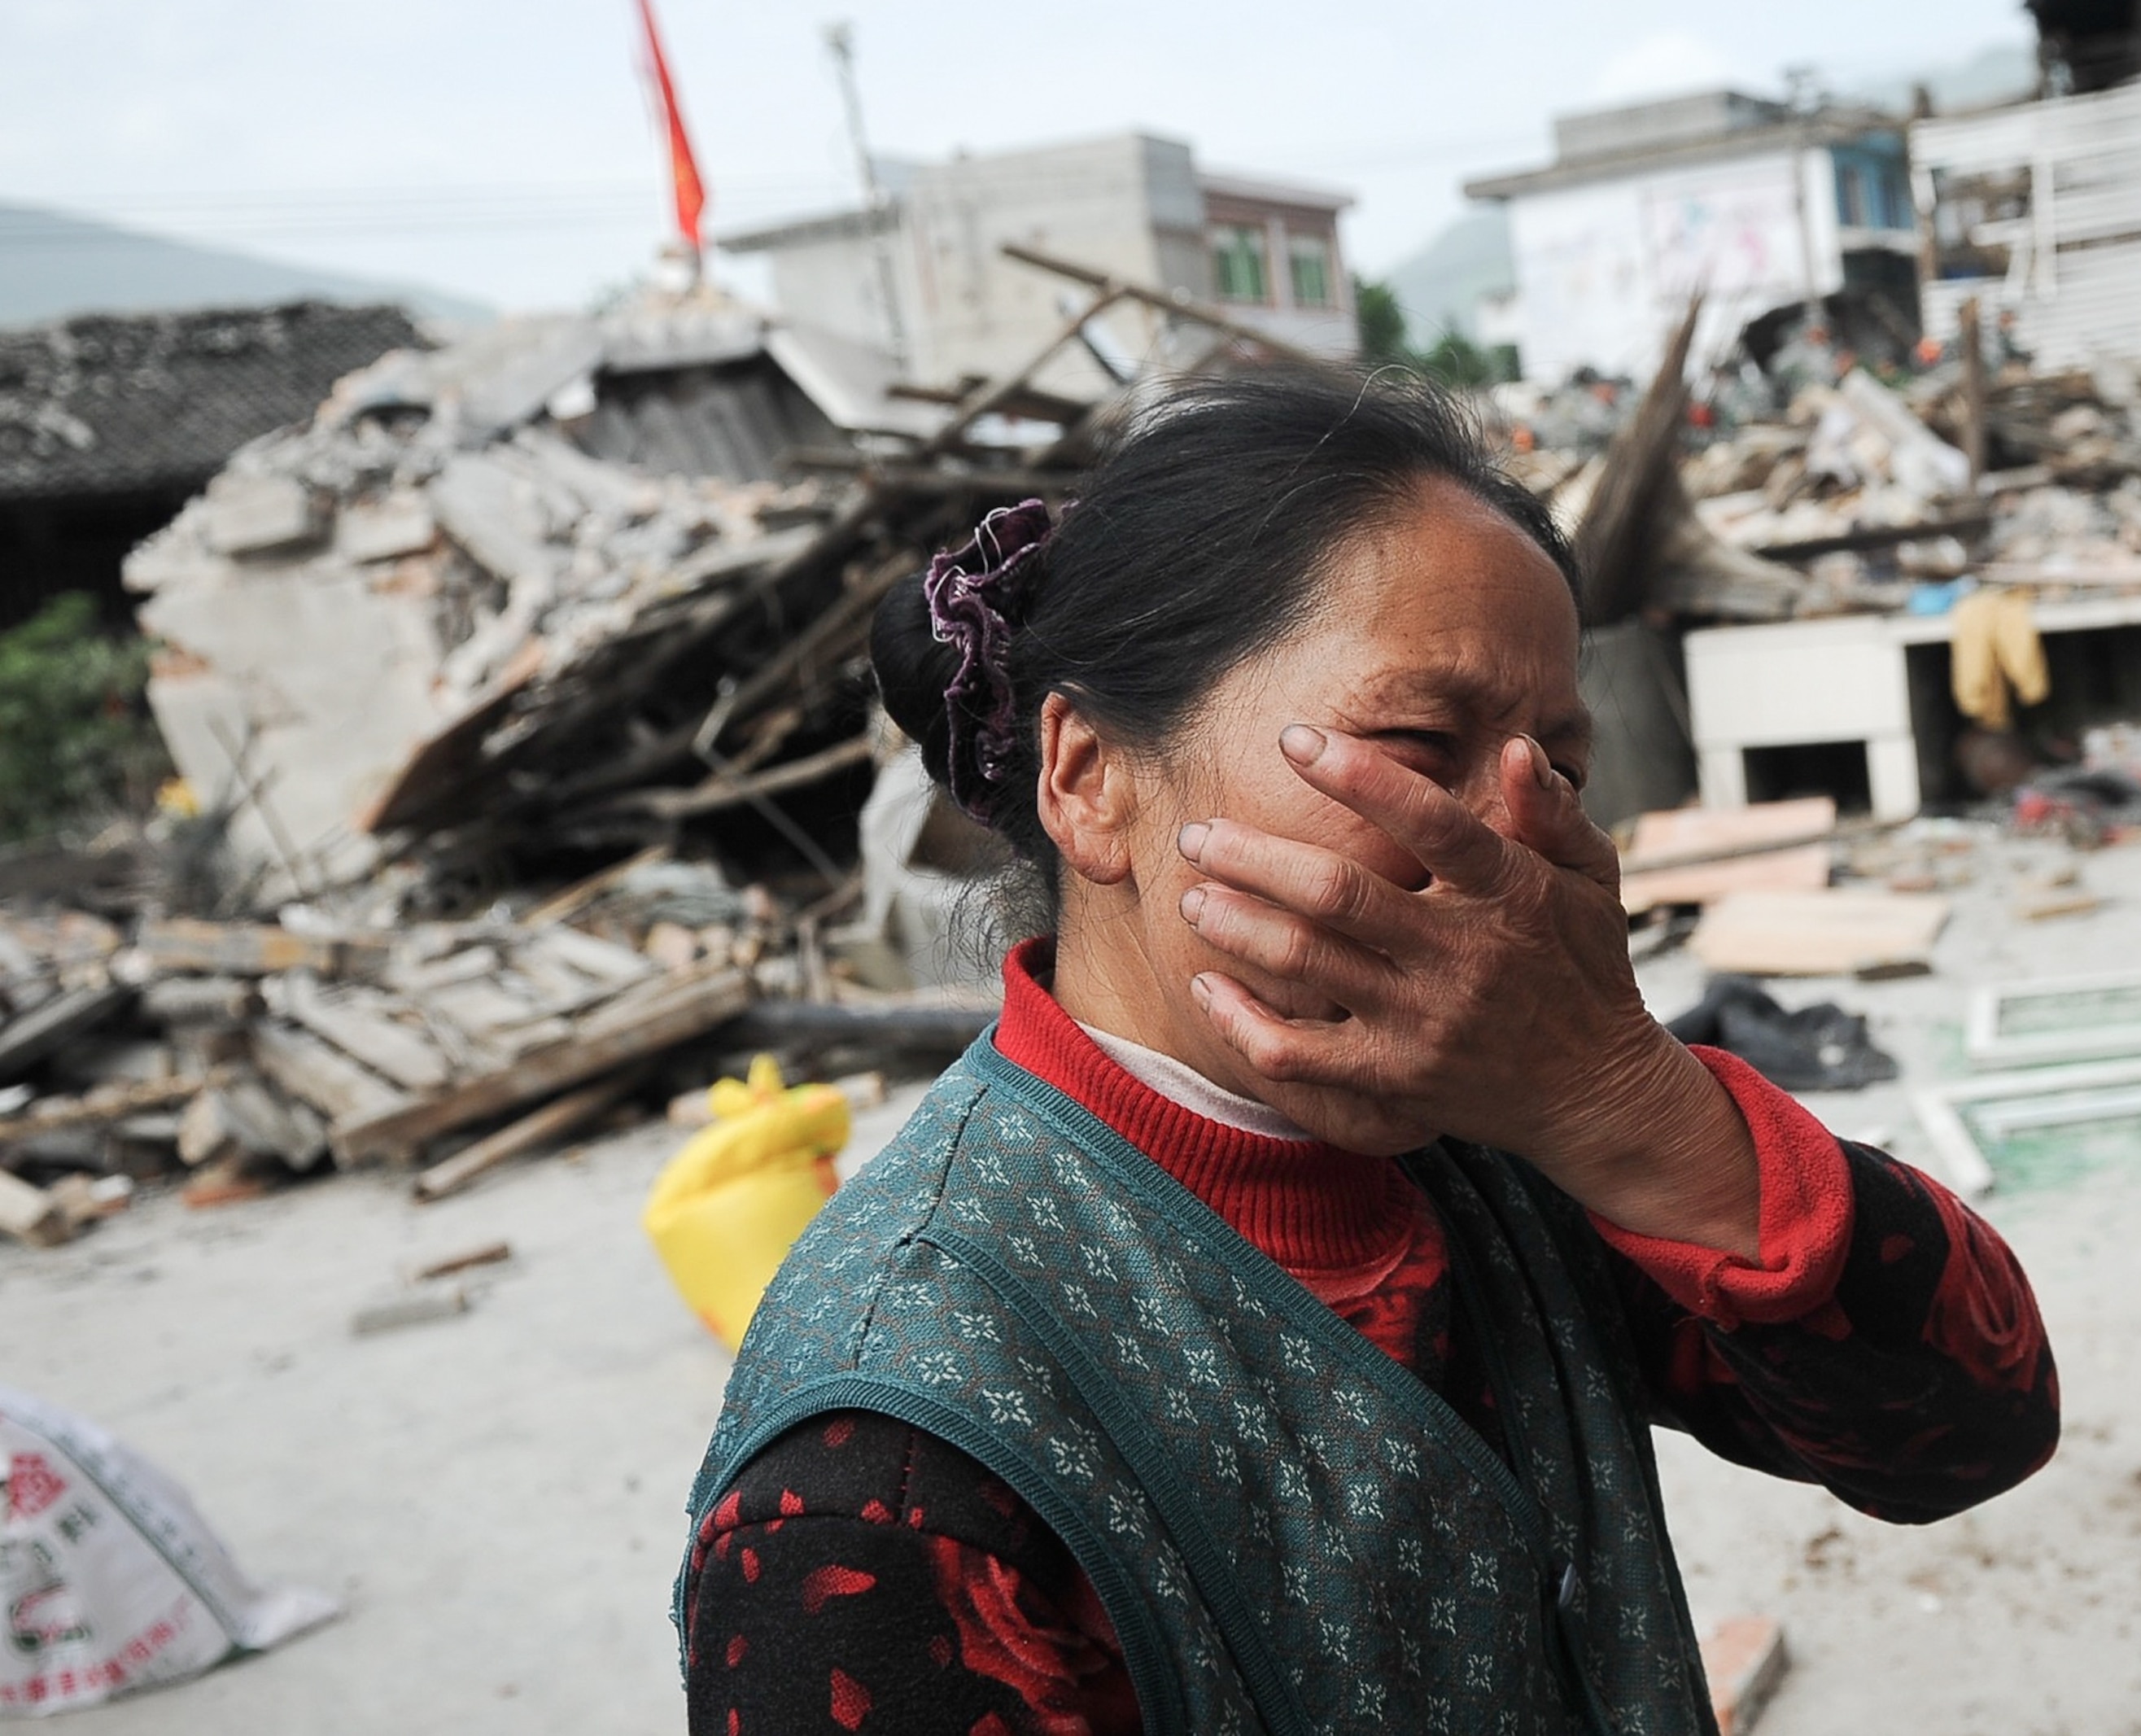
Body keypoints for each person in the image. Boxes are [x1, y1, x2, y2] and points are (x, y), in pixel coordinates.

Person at [678, 368, 2057, 1736]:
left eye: (1558, 772)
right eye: (1417, 744)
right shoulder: (884, 1462)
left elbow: (1966, 1425)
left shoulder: (1512, 1139)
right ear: (1092, 779)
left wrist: (1626, 1097)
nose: (1510, 844)